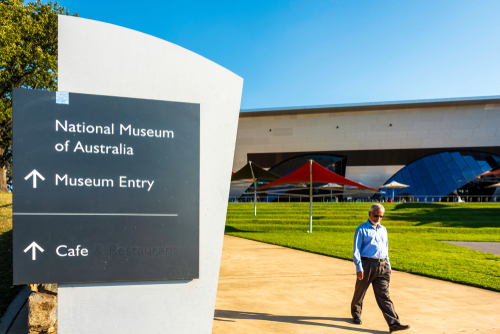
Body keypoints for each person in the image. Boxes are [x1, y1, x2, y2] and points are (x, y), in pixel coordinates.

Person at [351, 204, 410, 333]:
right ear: (369, 214)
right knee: (360, 291)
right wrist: (359, 267)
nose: (378, 218)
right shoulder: (361, 229)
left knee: (384, 295)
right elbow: (356, 250)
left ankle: (394, 323)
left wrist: (388, 264)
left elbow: (385, 248)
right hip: (367, 264)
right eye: (376, 215)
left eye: (381, 216)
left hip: (383, 265)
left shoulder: (384, 230)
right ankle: (356, 313)